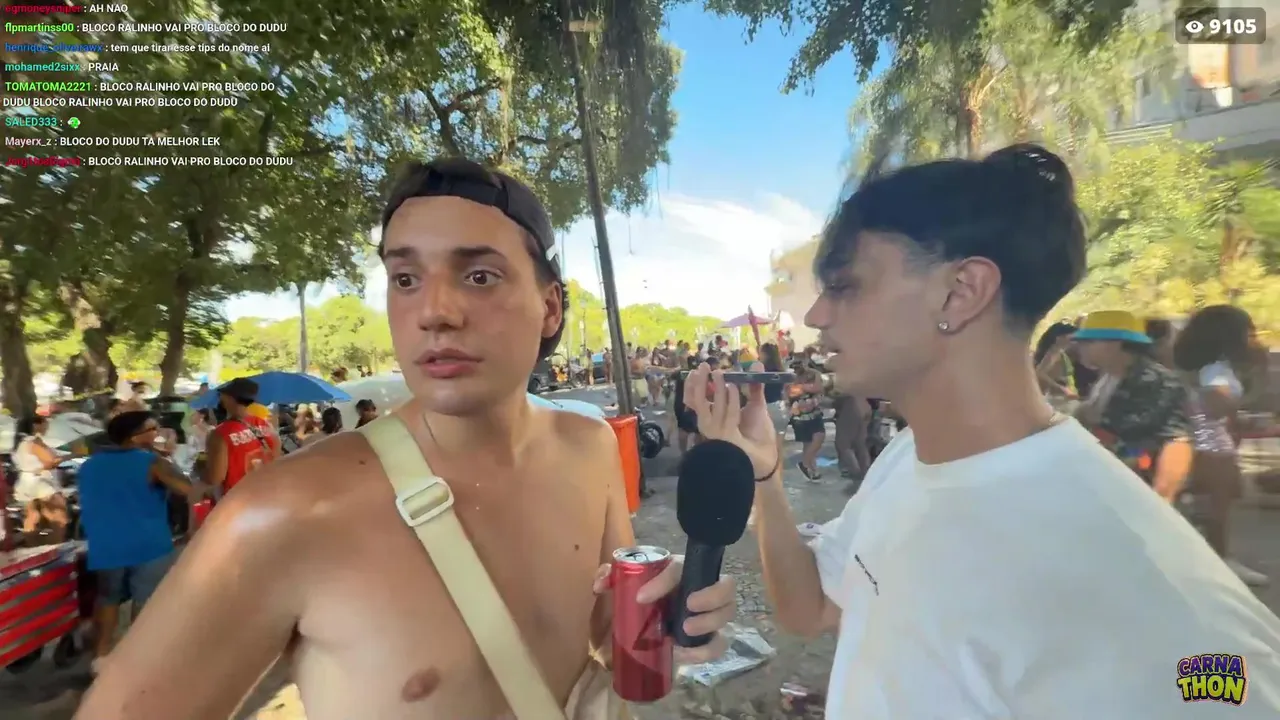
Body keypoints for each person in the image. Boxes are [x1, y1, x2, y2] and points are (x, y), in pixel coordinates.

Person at [77, 157, 737, 719]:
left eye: (479, 275)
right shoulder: (285, 514)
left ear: (550, 307)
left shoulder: (590, 448)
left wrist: (661, 617)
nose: (435, 312)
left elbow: (602, 638)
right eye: (405, 279)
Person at [736, 144, 1280, 717]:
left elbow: (1237, 689)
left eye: (845, 286)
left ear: (961, 292)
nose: (816, 315)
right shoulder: (908, 456)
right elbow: (811, 608)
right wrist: (765, 471)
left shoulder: (1135, 574)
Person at [78, 411, 204, 671]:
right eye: (152, 428)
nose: (158, 432)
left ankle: (100, 658)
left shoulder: (89, 465)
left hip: (106, 545)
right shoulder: (152, 462)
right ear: (135, 436)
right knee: (146, 602)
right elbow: (187, 489)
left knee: (108, 599)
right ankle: (136, 660)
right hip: (148, 544)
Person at [1174, 305, 1270, 587]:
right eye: (1248, 333)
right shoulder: (1216, 370)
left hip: (1202, 442)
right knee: (1217, 511)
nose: (1252, 338)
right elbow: (1215, 405)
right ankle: (1222, 563)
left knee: (1206, 508)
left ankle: (1209, 561)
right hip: (1213, 446)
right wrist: (1249, 392)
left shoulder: (1199, 368)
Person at [1072, 310, 1194, 499]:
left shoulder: (1155, 382)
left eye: (1088, 342)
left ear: (1114, 344)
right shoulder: (1109, 376)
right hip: (1112, 478)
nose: (1079, 348)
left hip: (1140, 484)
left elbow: (1168, 441)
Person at [203, 378, 281, 494]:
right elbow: (277, 459)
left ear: (230, 398)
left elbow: (215, 479)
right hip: (268, 494)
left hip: (238, 499)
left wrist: (202, 468)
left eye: (222, 395)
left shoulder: (220, 434)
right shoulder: (267, 425)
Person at [11, 415, 70, 543]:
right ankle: (56, 547)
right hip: (42, 482)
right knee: (59, 518)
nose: (47, 427)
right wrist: (72, 456)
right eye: (45, 424)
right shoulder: (34, 441)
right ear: (35, 425)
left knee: (32, 517)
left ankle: (33, 547)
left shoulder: (19, 442)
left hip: (25, 481)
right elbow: (50, 461)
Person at [786, 362, 826, 480]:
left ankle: (807, 465)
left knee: (817, 438)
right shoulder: (790, 377)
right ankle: (810, 468)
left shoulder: (813, 374)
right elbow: (792, 392)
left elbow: (819, 389)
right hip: (800, 417)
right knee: (809, 442)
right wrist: (807, 387)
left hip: (814, 414)